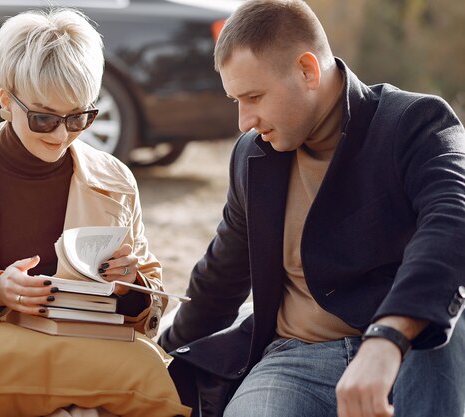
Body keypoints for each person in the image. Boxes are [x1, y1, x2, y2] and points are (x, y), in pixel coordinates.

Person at [158, 1, 465, 417]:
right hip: (295, 359)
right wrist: (160, 353)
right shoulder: (251, 155)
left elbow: (453, 221)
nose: (244, 120)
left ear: (307, 70)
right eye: (236, 100)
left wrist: (387, 337)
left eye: (253, 96)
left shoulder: (413, 122)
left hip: (406, 349)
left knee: (449, 325)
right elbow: (221, 277)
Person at [0, 8, 166, 417]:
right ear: (6, 99)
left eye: (79, 117)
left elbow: (152, 308)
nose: (62, 135)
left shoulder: (116, 180)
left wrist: (130, 286)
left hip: (87, 356)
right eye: (43, 118)